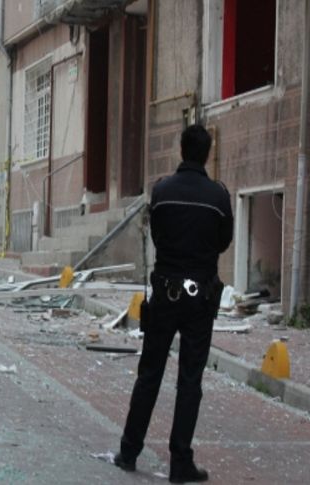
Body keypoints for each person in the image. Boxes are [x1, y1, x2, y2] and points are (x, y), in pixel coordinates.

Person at [113, 125, 233, 483]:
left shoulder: (162, 191)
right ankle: (180, 462)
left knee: (149, 373)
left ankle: (129, 450)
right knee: (190, 380)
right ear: (207, 153)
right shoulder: (219, 197)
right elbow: (224, 241)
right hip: (200, 298)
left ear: (181, 150)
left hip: (165, 293)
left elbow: (158, 233)